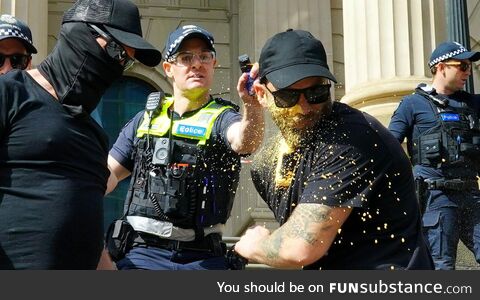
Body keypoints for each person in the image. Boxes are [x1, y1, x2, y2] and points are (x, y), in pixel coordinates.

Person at [234, 29, 433, 270]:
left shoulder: (351, 137)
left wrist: (253, 245)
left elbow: (298, 248)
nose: (305, 107)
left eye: (316, 92)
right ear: (261, 95)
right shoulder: (266, 164)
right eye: (288, 96)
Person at [0, 0, 161, 269]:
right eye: (115, 50)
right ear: (81, 36)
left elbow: (84, 228)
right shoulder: (11, 93)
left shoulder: (95, 136)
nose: (118, 65)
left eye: (126, 60)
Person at [105, 24, 264, 270]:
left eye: (204, 57)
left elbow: (246, 141)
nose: (197, 64)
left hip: (203, 258)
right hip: (142, 254)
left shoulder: (223, 117)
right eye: (186, 58)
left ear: (214, 64)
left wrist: (252, 106)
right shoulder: (145, 119)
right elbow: (109, 174)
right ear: (168, 68)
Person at [388, 41, 480, 270]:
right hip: (436, 198)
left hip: (471, 194)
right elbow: (388, 146)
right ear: (441, 67)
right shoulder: (413, 104)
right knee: (441, 268)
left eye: (469, 66)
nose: (467, 72)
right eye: (462, 65)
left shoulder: (473, 104)